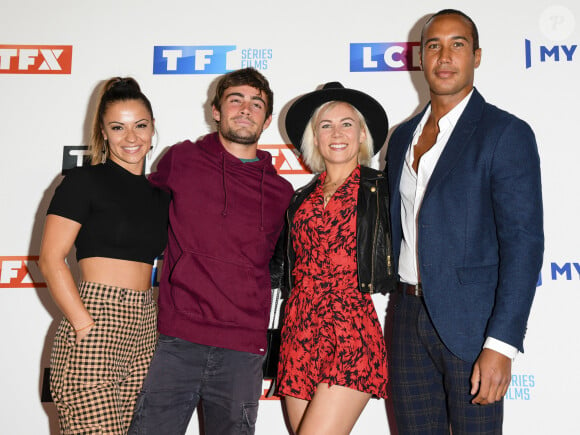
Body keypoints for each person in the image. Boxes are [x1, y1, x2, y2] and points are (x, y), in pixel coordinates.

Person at [386, 9, 544, 434]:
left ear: (476, 56)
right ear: (420, 58)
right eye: (433, 45)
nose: (444, 56)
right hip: (405, 318)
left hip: (473, 327)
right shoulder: (402, 137)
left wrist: (501, 344)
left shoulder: (505, 133)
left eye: (457, 44)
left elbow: (523, 244)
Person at [128, 68, 294, 435]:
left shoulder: (282, 192)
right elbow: (138, 216)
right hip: (177, 339)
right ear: (216, 110)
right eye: (236, 100)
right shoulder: (181, 160)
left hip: (242, 347)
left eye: (256, 104)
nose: (245, 109)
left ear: (267, 120)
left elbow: (280, 264)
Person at [39, 77, 170, 434]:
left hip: (145, 324)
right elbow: (51, 258)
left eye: (140, 125)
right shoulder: (83, 182)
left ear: (153, 127)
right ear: (103, 131)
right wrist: (83, 324)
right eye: (118, 127)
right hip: (97, 316)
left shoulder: (160, 195)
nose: (131, 138)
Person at [277, 82, 396, 435]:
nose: (336, 133)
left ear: (362, 134)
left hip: (350, 329)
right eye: (325, 125)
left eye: (347, 123)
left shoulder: (382, 189)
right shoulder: (300, 199)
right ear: (314, 137)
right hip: (299, 330)